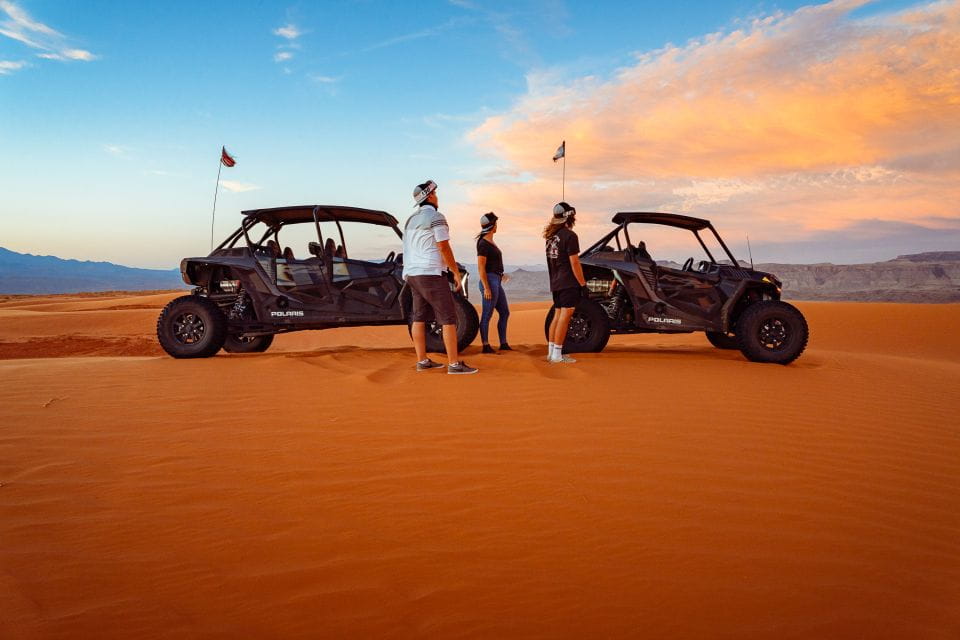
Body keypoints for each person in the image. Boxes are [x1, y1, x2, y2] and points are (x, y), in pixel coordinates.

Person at [402, 180, 478, 375]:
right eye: (435, 193)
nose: (437, 196)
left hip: (412, 273)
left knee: (418, 317)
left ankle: (422, 361)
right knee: (448, 317)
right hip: (430, 273)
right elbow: (443, 246)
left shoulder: (410, 220)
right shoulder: (436, 217)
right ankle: (454, 364)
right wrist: (454, 271)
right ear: (430, 196)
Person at [544, 202, 586, 364]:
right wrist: (582, 284)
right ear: (570, 216)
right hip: (568, 282)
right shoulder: (570, 236)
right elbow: (575, 263)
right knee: (564, 317)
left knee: (557, 315)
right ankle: (557, 355)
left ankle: (551, 353)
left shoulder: (550, 237)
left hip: (555, 283)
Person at [475, 212, 512, 354]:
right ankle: (485, 345)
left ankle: (503, 343)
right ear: (492, 225)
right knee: (487, 314)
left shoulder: (490, 241)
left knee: (505, 312)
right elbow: (481, 267)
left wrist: (501, 275)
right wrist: (486, 288)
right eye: (495, 223)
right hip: (489, 282)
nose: (497, 225)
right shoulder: (483, 243)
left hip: (496, 280)